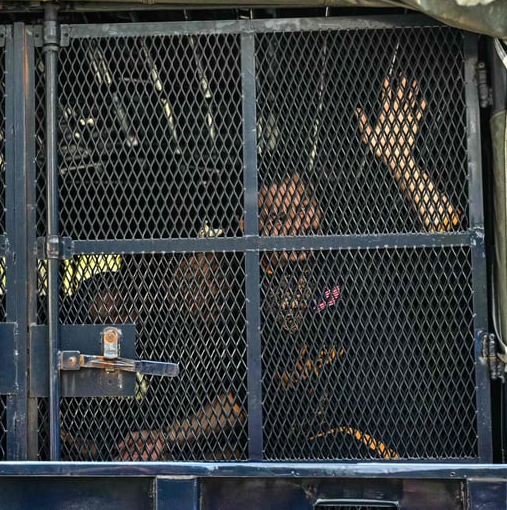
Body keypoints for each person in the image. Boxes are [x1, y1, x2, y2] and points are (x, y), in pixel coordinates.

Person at [112, 75, 460, 461]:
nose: (293, 227)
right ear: (249, 228)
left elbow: (444, 233)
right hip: (305, 463)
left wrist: (400, 161)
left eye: (300, 210)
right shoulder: (251, 297)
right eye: (276, 218)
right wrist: (164, 436)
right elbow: (243, 397)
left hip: (386, 457)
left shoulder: (354, 258)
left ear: (317, 210)